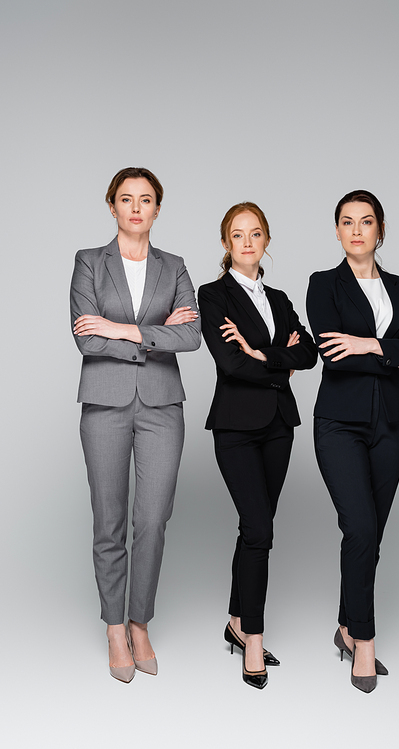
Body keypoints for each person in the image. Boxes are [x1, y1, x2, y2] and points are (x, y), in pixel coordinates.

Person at [71, 167, 201, 682]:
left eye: (146, 200)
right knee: (109, 521)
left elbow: (191, 336)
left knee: (152, 519)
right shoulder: (88, 263)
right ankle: (112, 626)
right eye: (126, 199)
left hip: (163, 407)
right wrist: (153, 335)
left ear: (157, 209)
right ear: (112, 206)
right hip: (103, 403)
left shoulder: (175, 266)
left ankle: (139, 620)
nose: (135, 208)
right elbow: (86, 339)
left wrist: (122, 329)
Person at [306, 190, 399, 692]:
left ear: (379, 230)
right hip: (339, 424)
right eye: (346, 222)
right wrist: (388, 355)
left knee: (371, 534)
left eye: (366, 221)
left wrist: (371, 343)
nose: (356, 230)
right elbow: (331, 354)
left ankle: (344, 623)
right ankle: (365, 639)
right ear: (337, 232)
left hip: (390, 427)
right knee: (359, 526)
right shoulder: (324, 285)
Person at [198, 202, 317, 689]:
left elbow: (308, 352)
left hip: (278, 426)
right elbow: (229, 365)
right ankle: (252, 638)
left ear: (267, 241)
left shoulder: (282, 299)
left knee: (254, 528)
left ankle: (234, 618)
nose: (247, 242)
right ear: (226, 243)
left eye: (256, 233)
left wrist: (260, 352)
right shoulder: (213, 295)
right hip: (236, 427)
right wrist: (275, 362)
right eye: (237, 234)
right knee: (261, 529)